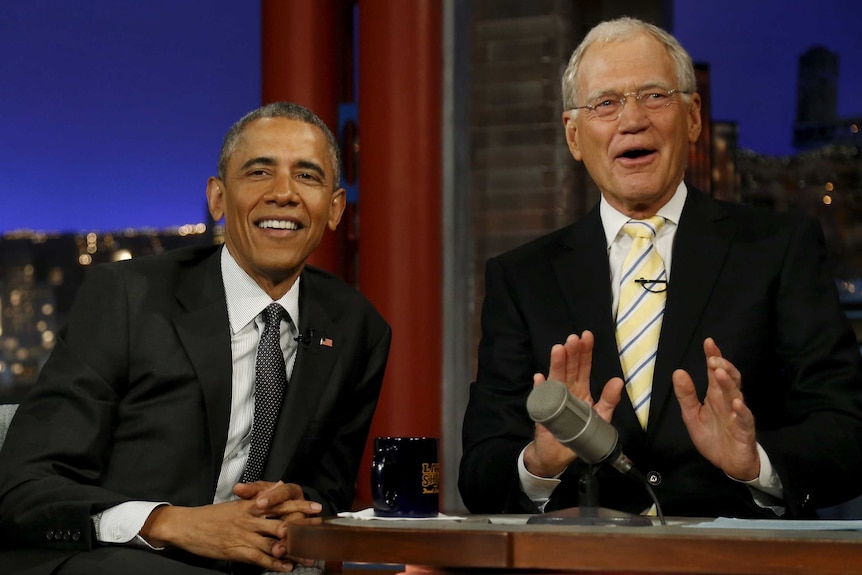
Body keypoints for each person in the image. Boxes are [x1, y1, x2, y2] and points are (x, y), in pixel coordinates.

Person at [459, 17, 862, 519]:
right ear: (574, 135)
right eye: (605, 103)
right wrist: (540, 462)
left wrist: (754, 463)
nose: (632, 120)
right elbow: (480, 473)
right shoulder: (522, 279)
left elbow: (847, 428)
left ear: (693, 116)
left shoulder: (778, 249)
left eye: (654, 96)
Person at [0, 102, 391, 574]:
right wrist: (169, 523)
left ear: (334, 209)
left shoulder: (355, 328)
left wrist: (297, 503)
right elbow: (21, 484)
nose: (284, 193)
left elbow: (328, 492)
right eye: (259, 172)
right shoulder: (127, 299)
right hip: (110, 558)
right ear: (218, 199)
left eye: (307, 177)